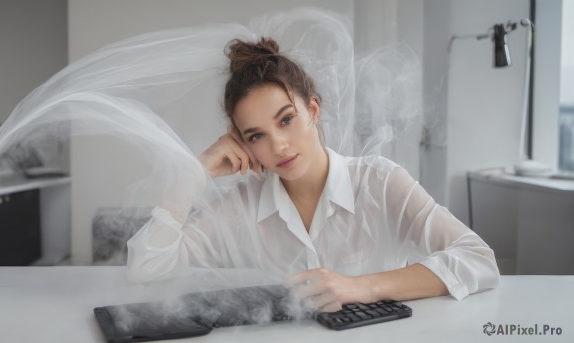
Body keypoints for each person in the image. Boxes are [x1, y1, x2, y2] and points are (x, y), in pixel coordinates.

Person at [127, 37, 500, 312]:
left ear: (314, 110)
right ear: (242, 143)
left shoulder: (380, 182)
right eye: (257, 136)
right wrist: (194, 174)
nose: (279, 147)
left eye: (286, 120)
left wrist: (361, 287)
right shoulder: (238, 209)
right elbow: (146, 269)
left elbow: (478, 259)